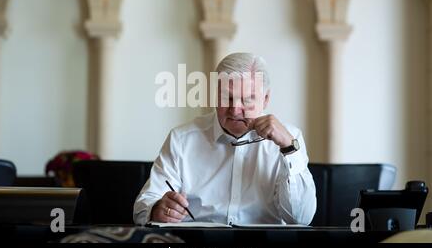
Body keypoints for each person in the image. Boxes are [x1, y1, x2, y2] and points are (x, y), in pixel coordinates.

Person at [133, 52, 316, 225]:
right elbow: (142, 208)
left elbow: (301, 218)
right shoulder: (181, 139)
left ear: (266, 99)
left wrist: (289, 149)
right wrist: (157, 209)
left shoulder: (291, 139)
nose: (235, 110)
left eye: (246, 100)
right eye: (226, 98)